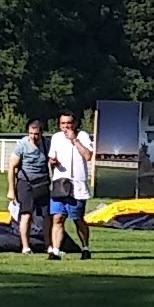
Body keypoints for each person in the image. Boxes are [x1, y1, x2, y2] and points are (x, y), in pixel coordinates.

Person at [48, 110, 98, 258]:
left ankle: (85, 248)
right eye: (63, 123)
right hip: (60, 184)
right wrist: (52, 161)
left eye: (69, 123)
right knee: (57, 217)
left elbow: (88, 156)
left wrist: (75, 140)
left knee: (77, 219)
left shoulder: (82, 136)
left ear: (74, 123)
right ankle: (55, 251)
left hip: (77, 186)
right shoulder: (56, 138)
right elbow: (51, 157)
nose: (66, 126)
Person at [8, 117, 58, 255]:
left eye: (36, 134)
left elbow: (52, 163)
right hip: (26, 183)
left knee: (47, 216)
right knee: (26, 214)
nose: (33, 137)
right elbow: (11, 166)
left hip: (42, 183)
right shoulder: (22, 145)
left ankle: (48, 245)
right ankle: (25, 247)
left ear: (41, 133)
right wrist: (11, 190)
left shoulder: (46, 144)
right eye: (31, 133)